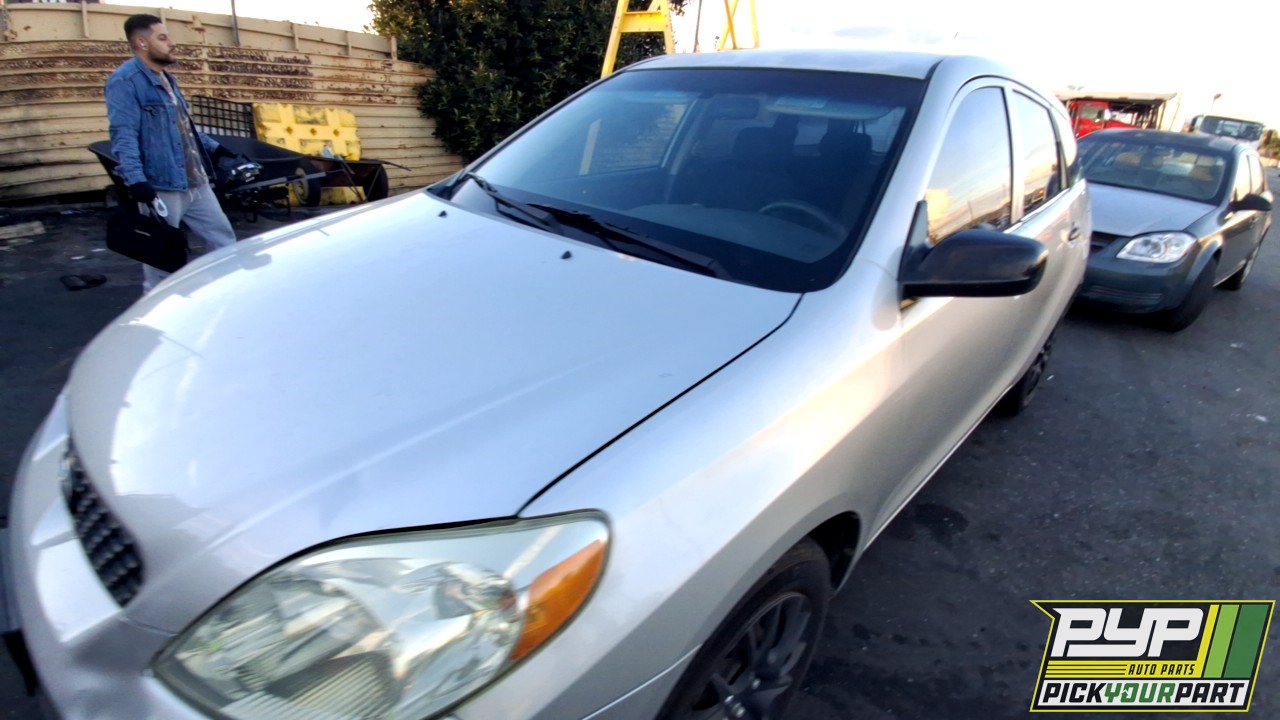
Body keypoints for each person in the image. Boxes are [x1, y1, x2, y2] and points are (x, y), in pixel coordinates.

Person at [105, 13, 239, 292]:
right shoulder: (125, 81)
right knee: (161, 260)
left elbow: (183, 129)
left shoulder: (168, 80)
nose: (171, 44)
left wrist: (216, 149)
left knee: (224, 240)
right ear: (141, 43)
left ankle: (221, 296)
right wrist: (136, 181)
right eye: (163, 38)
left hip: (195, 182)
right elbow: (123, 134)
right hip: (161, 185)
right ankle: (158, 320)